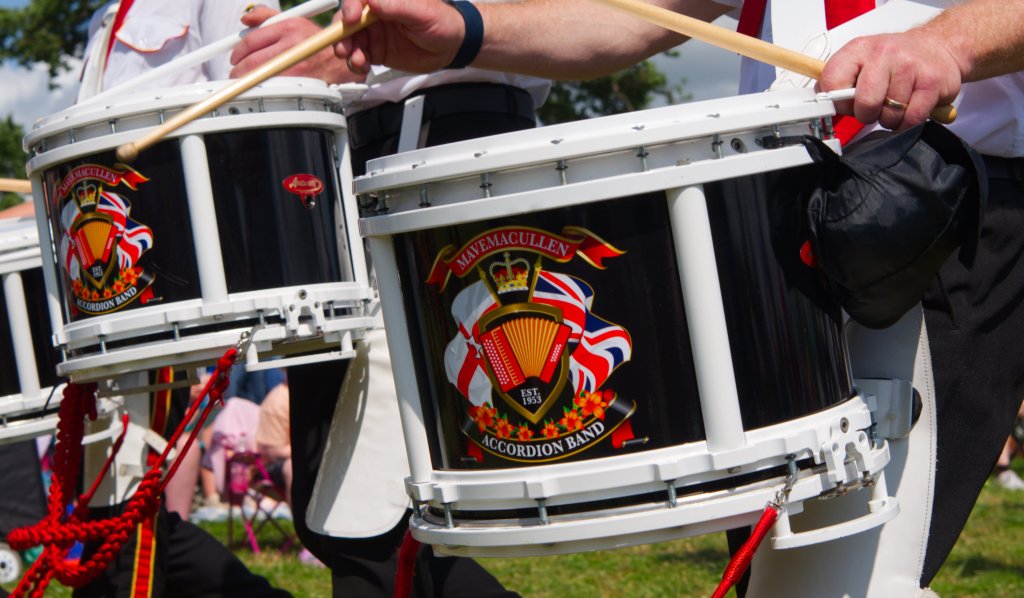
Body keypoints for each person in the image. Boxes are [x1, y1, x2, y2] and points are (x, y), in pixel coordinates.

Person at [324, 0, 1024, 595]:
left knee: (844, 581)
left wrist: (946, 43)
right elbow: (630, 15)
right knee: (783, 573)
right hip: (779, 214)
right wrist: (465, 30)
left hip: (930, 204)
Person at [229, 4, 548, 596]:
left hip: (445, 141)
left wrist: (355, 51)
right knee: (327, 504)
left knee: (357, 517)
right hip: (338, 150)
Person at [64, 1, 295, 596]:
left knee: (130, 486)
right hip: (106, 284)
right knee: (114, 496)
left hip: (172, 274)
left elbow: (252, 108)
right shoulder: (104, 19)